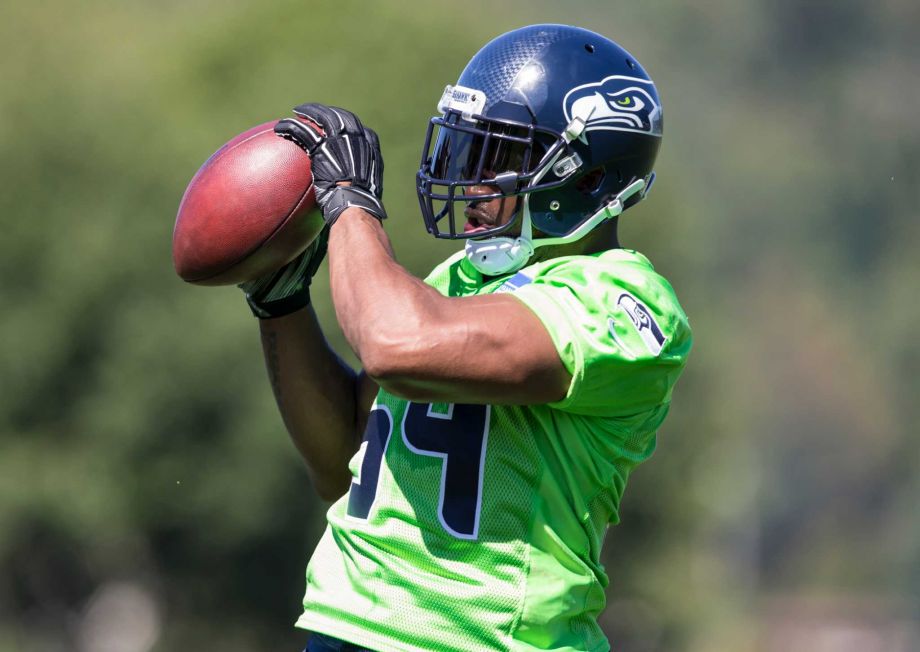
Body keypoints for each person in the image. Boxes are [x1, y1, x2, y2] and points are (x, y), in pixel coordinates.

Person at [240, 24, 692, 652]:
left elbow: (394, 344)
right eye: (467, 153)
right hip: (344, 626)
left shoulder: (624, 304)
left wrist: (348, 204)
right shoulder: (463, 277)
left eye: (499, 160)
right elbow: (339, 460)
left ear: (586, 177)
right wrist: (282, 306)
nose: (472, 182)